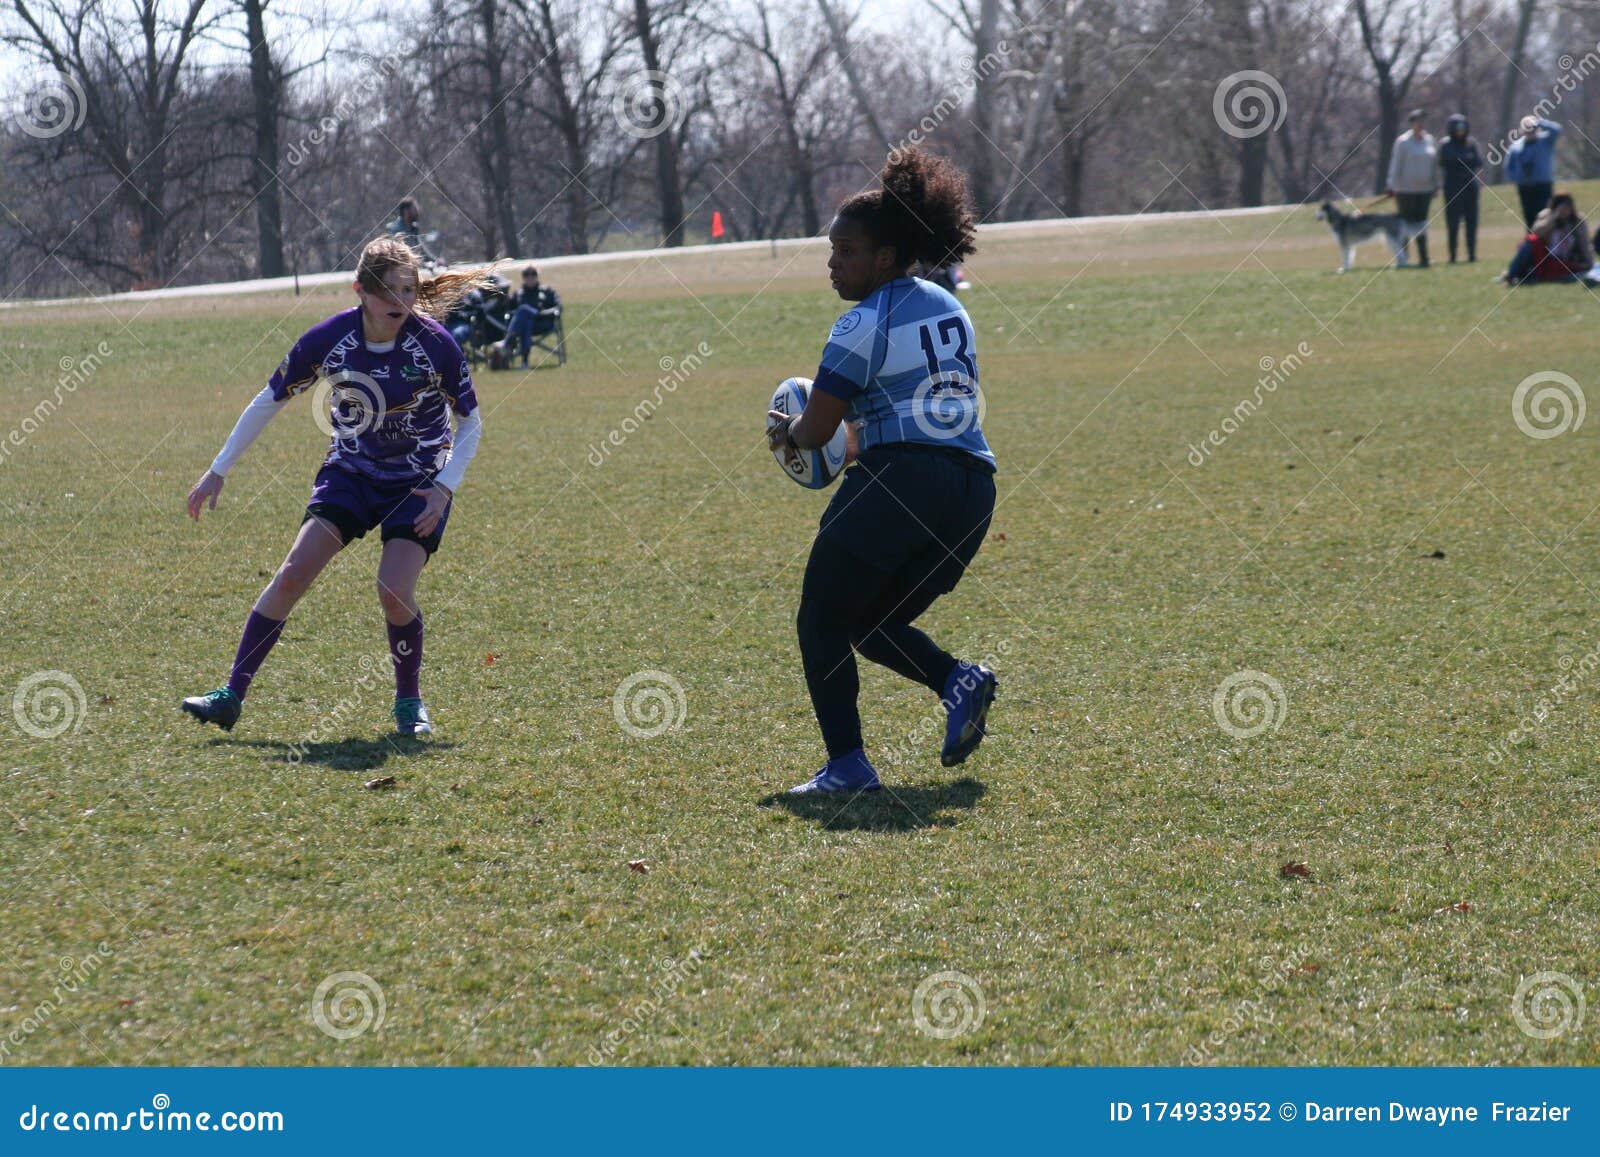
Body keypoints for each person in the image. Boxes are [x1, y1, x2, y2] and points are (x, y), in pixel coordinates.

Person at [180, 237, 491, 737]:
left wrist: (445, 487)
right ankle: (230, 695)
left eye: (409, 290)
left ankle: (409, 703)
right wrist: (219, 469)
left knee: (394, 590)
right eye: (389, 291)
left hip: (419, 482)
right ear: (361, 292)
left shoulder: (434, 345)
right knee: (292, 574)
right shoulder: (329, 339)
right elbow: (270, 398)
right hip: (351, 473)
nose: (401, 302)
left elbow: (471, 422)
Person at [764, 147, 998, 795]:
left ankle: (847, 766)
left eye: (846, 251)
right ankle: (960, 680)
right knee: (868, 619)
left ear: (886, 257)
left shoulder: (858, 322)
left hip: (901, 483)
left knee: (820, 619)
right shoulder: (950, 306)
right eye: (830, 251)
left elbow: (815, 432)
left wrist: (789, 432)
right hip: (974, 489)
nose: (833, 264)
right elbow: (918, 409)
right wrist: (853, 439)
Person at [1498, 192, 1594, 285]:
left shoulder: (1577, 220)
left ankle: (1524, 274)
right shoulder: (1546, 215)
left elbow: (1584, 243)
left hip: (1566, 261)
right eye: (1562, 208)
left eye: (1568, 207)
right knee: (1532, 241)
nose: (1565, 211)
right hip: (1544, 258)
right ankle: (1512, 274)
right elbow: (1535, 232)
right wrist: (1554, 218)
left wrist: (1589, 262)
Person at [1386, 109, 1437, 268]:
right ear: (1412, 123)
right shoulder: (1403, 142)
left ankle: (1424, 258)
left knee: (1421, 225)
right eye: (1417, 120)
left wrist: (1435, 184)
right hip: (1405, 190)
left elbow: (1433, 164)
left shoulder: (1429, 140)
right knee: (1405, 226)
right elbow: (1396, 164)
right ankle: (1404, 259)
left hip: (1425, 190)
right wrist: (1391, 185)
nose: (1420, 123)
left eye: (1422, 120)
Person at [490, 265, 561, 369]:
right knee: (526, 322)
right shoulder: (518, 294)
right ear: (523, 277)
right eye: (526, 274)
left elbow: (558, 308)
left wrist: (541, 313)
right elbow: (508, 311)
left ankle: (507, 343)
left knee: (524, 310)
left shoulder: (547, 291)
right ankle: (524, 363)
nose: (530, 277)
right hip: (524, 326)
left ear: (537, 276)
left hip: (542, 323)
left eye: (533, 274)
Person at [1437, 113, 1482, 263]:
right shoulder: (1445, 144)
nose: (1461, 130)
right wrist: (1463, 160)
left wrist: (1462, 160)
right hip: (1453, 189)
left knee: (1472, 222)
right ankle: (1453, 256)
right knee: (1453, 224)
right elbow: (1446, 161)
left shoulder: (1471, 143)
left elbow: (1478, 161)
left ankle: (1472, 254)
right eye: (1458, 127)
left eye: (1463, 127)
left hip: (1470, 188)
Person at [1505, 115, 1561, 229]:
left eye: (1532, 128)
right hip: (1525, 187)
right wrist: (1517, 178)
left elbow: (1557, 129)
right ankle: (1532, 243)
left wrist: (1539, 122)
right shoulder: (1516, 147)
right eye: (1527, 128)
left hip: (1543, 185)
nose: (1530, 131)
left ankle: (1547, 243)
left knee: (1546, 215)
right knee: (1529, 217)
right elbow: (1508, 167)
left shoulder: (1545, 141)